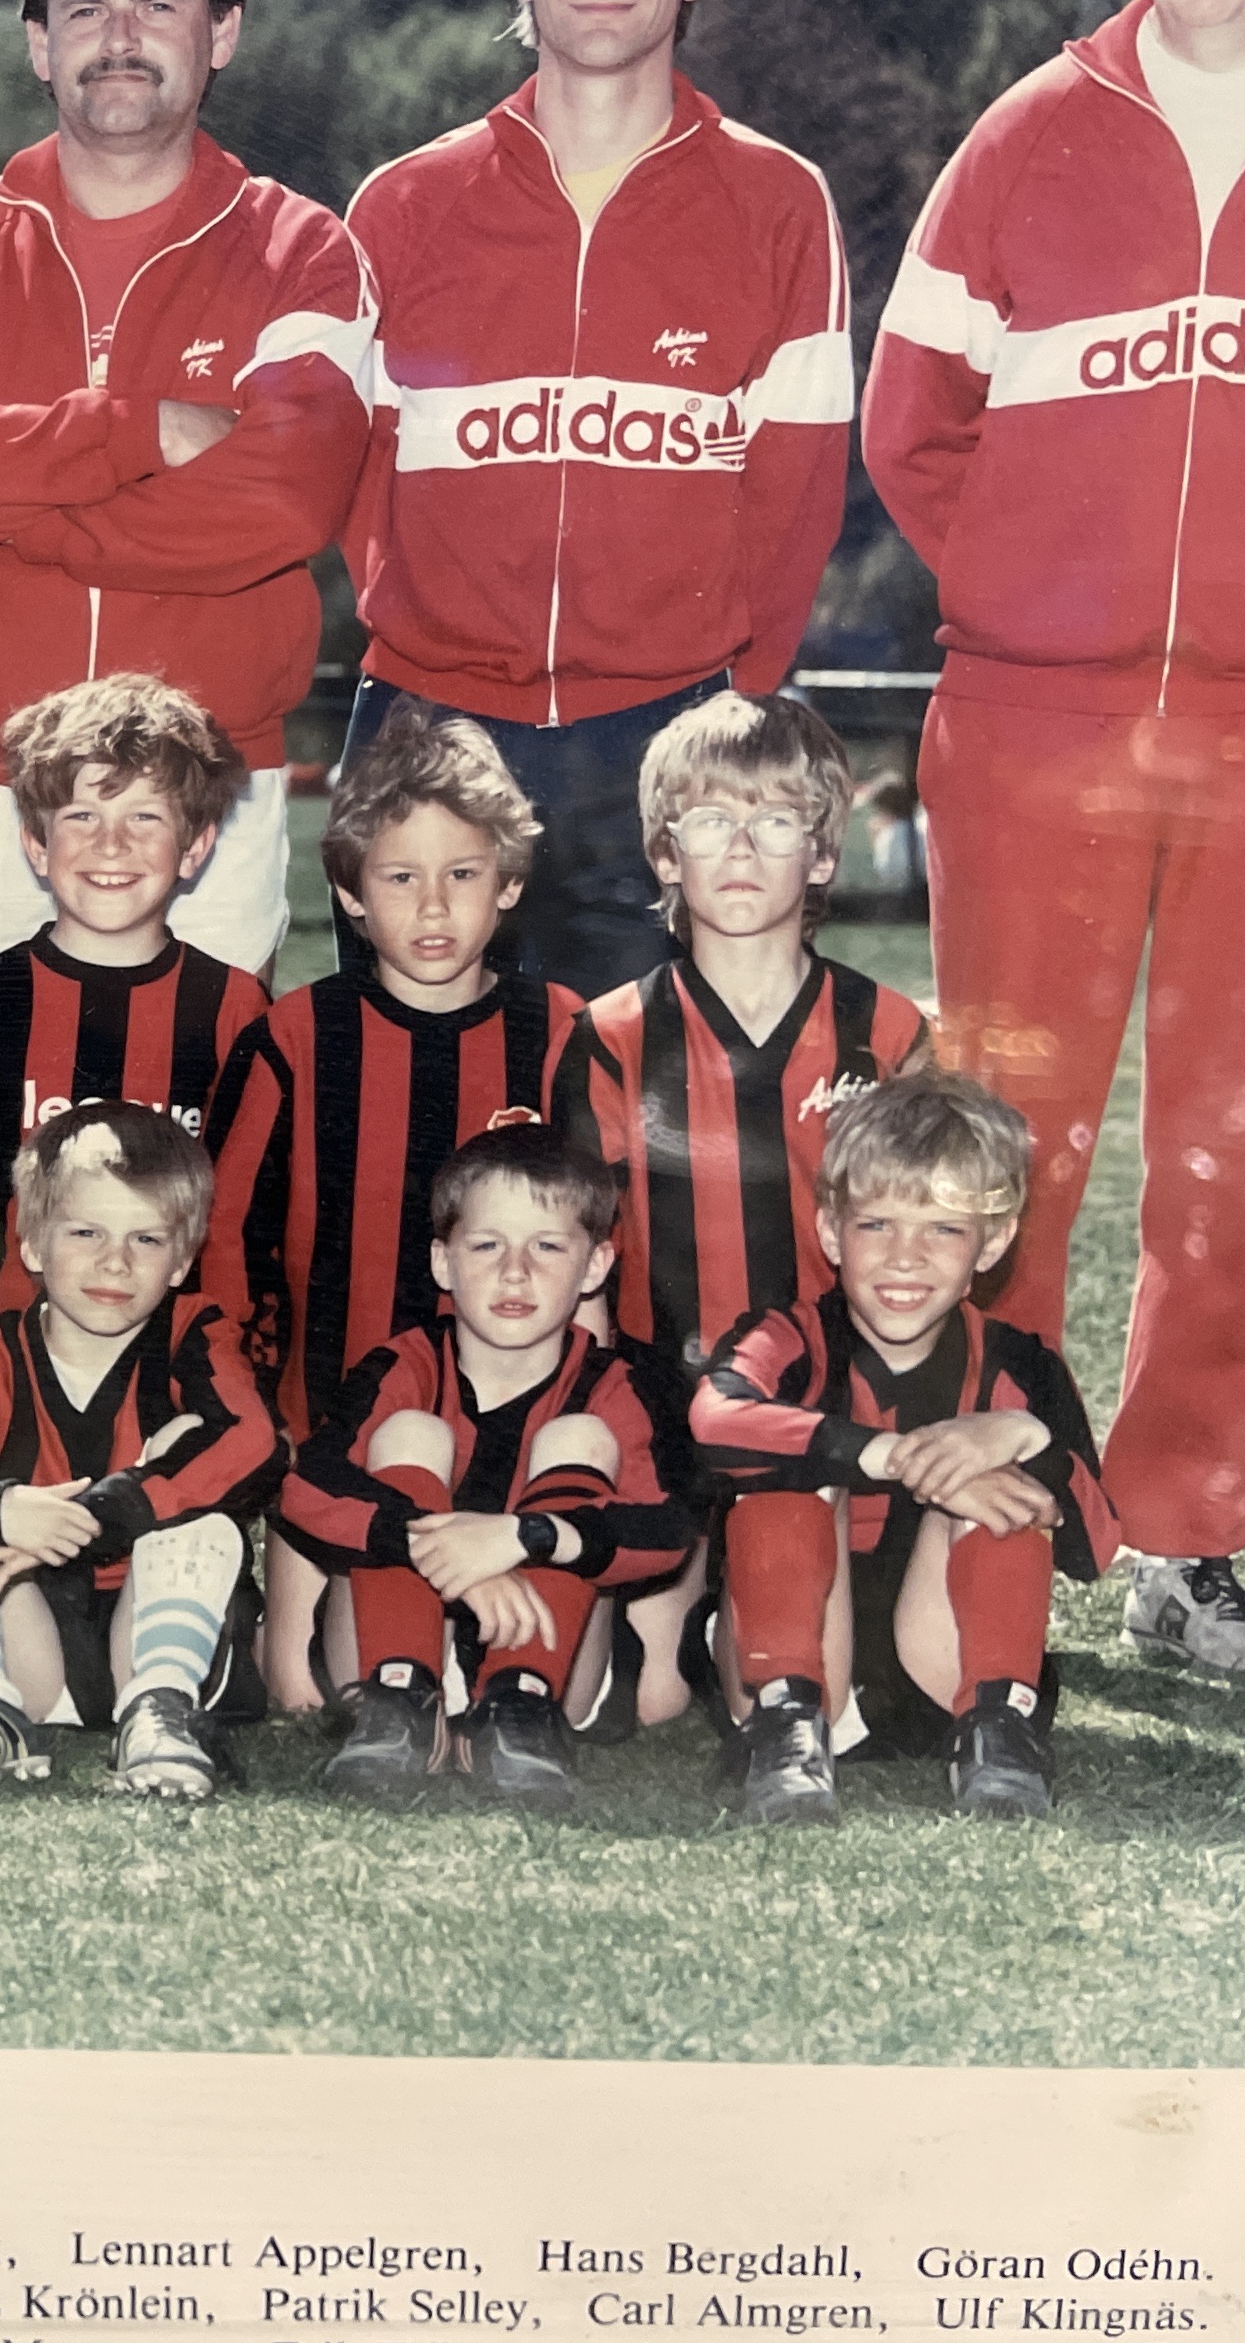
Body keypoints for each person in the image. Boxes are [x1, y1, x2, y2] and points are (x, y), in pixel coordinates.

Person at [866, 0, 1245, 1679]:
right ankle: (979, 1515)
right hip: (1037, 727)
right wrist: (1045, 609)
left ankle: (1184, 1546)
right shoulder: (1028, 135)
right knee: (1011, 1140)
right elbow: (914, 424)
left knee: (1221, 1159)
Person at [344, 0, 855, 996]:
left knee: (647, 1107)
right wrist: (435, 651)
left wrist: (722, 718)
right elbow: (354, 482)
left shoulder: (780, 204)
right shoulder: (403, 206)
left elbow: (794, 505)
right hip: (431, 731)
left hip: (668, 744)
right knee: (411, 1102)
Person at [0, 0, 372, 1002]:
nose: (119, 36)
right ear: (40, 43)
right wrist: (135, 433)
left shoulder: (303, 251)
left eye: (158, 4)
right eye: (86, 8)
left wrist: (19, 519)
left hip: (210, 786)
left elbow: (289, 501)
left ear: (221, 31)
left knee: (201, 1117)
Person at [554, 691, 926, 1731]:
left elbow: (923, 1255)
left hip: (832, 1414)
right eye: (712, 820)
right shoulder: (611, 1035)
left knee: (843, 1696)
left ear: (823, 854)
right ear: (665, 855)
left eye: (777, 821)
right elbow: (582, 1261)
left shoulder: (887, 1032)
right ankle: (683, 1610)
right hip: (664, 1409)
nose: (743, 848)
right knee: (648, 1702)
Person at [206, 702, 581, 1713]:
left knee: (569, 1691)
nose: (433, 907)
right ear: (349, 890)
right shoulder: (295, 1038)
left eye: (463, 875)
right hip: (330, 1435)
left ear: (508, 883)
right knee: (303, 1695)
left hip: (515, 1433)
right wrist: (255, 1418)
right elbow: (228, 1249)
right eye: (400, 878)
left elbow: (601, 1248)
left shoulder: (559, 1034)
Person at [693, 1073, 1115, 1825]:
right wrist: (891, 1456)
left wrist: (1025, 1438)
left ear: (993, 1242)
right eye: (877, 1225)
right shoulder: (786, 1338)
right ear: (831, 1232)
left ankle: (997, 1728)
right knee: (790, 1472)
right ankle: (787, 1733)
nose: (905, 1257)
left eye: (943, 1230)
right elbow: (715, 1419)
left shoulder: (1019, 1364)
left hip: (938, 1676)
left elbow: (1098, 1546)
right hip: (792, 1661)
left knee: (1004, 1489)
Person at [0, 1101, 276, 1804]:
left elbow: (254, 1443)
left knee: (190, 1444)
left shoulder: (194, 1333)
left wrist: (99, 1516)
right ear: (33, 1245)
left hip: (165, 1641)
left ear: (182, 1261)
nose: (114, 1261)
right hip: (34, 1658)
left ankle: (160, 1712)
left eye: (146, 1239)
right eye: (85, 1232)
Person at [278, 1127, 691, 1812]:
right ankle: (403, 1707)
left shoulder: (617, 1384)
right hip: (397, 1642)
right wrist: (450, 1552)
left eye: (547, 1246)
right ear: (443, 1262)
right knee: (410, 1432)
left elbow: (668, 1528)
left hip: (550, 1658)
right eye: (486, 1245)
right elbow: (306, 1486)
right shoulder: (403, 1363)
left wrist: (524, 1538)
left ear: (595, 1266)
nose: (515, 1272)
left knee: (580, 1437)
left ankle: (516, 1706)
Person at [0, 674, 266, 1352]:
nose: (111, 844)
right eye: (82, 817)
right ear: (37, 845)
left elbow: (242, 1214)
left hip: (173, 1366)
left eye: (144, 818)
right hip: (4, 1362)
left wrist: (224, 1362)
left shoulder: (234, 1007)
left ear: (194, 848)